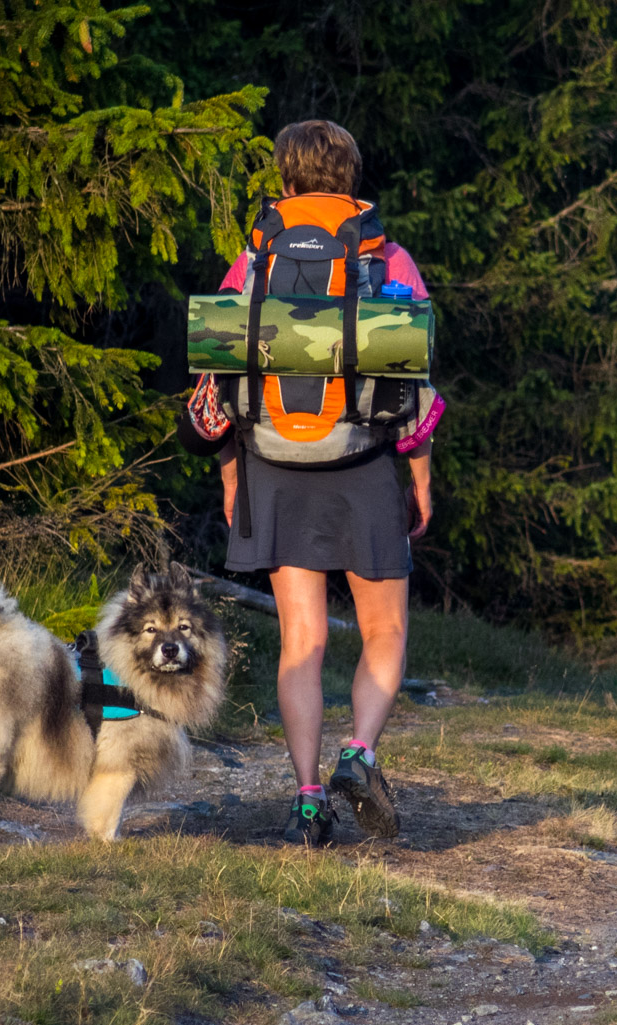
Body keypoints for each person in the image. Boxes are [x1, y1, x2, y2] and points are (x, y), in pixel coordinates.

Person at [181, 119, 438, 846]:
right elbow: (411, 385)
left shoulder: (252, 261)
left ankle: (303, 798)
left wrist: (233, 475)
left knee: (303, 639)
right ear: (351, 183)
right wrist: (420, 475)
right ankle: (357, 754)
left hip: (274, 464)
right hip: (361, 466)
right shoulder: (385, 258)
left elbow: (217, 383)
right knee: (384, 628)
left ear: (286, 185)